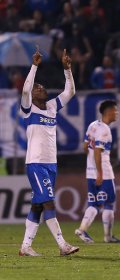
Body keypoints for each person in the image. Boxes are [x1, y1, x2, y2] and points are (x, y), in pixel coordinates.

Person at [19, 48, 79, 256]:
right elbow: (25, 90)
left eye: (42, 87)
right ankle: (63, 245)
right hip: (35, 163)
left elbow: (70, 92)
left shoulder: (52, 107)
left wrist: (67, 69)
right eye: (38, 88)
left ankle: (25, 247)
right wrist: (34, 66)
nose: (41, 89)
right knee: (48, 202)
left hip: (51, 163)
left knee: (37, 206)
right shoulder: (28, 109)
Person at [75, 100, 120, 244]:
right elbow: (97, 151)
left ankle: (82, 229)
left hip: (89, 172)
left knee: (93, 204)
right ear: (108, 112)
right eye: (115, 110)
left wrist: (91, 164)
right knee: (109, 203)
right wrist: (100, 173)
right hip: (103, 172)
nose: (117, 113)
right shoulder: (105, 130)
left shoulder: (93, 125)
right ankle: (107, 237)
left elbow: (85, 146)